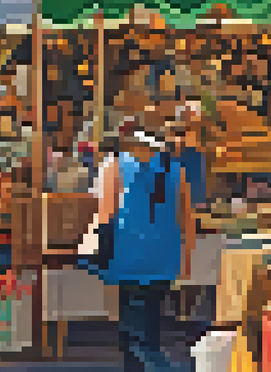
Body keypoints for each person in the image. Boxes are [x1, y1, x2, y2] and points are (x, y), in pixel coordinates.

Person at [93, 128, 193, 372]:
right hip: (164, 260)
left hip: (129, 259)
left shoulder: (115, 168)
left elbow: (105, 217)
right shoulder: (177, 171)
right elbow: (187, 222)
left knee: (135, 335)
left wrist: (99, 255)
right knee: (148, 326)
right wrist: (186, 260)